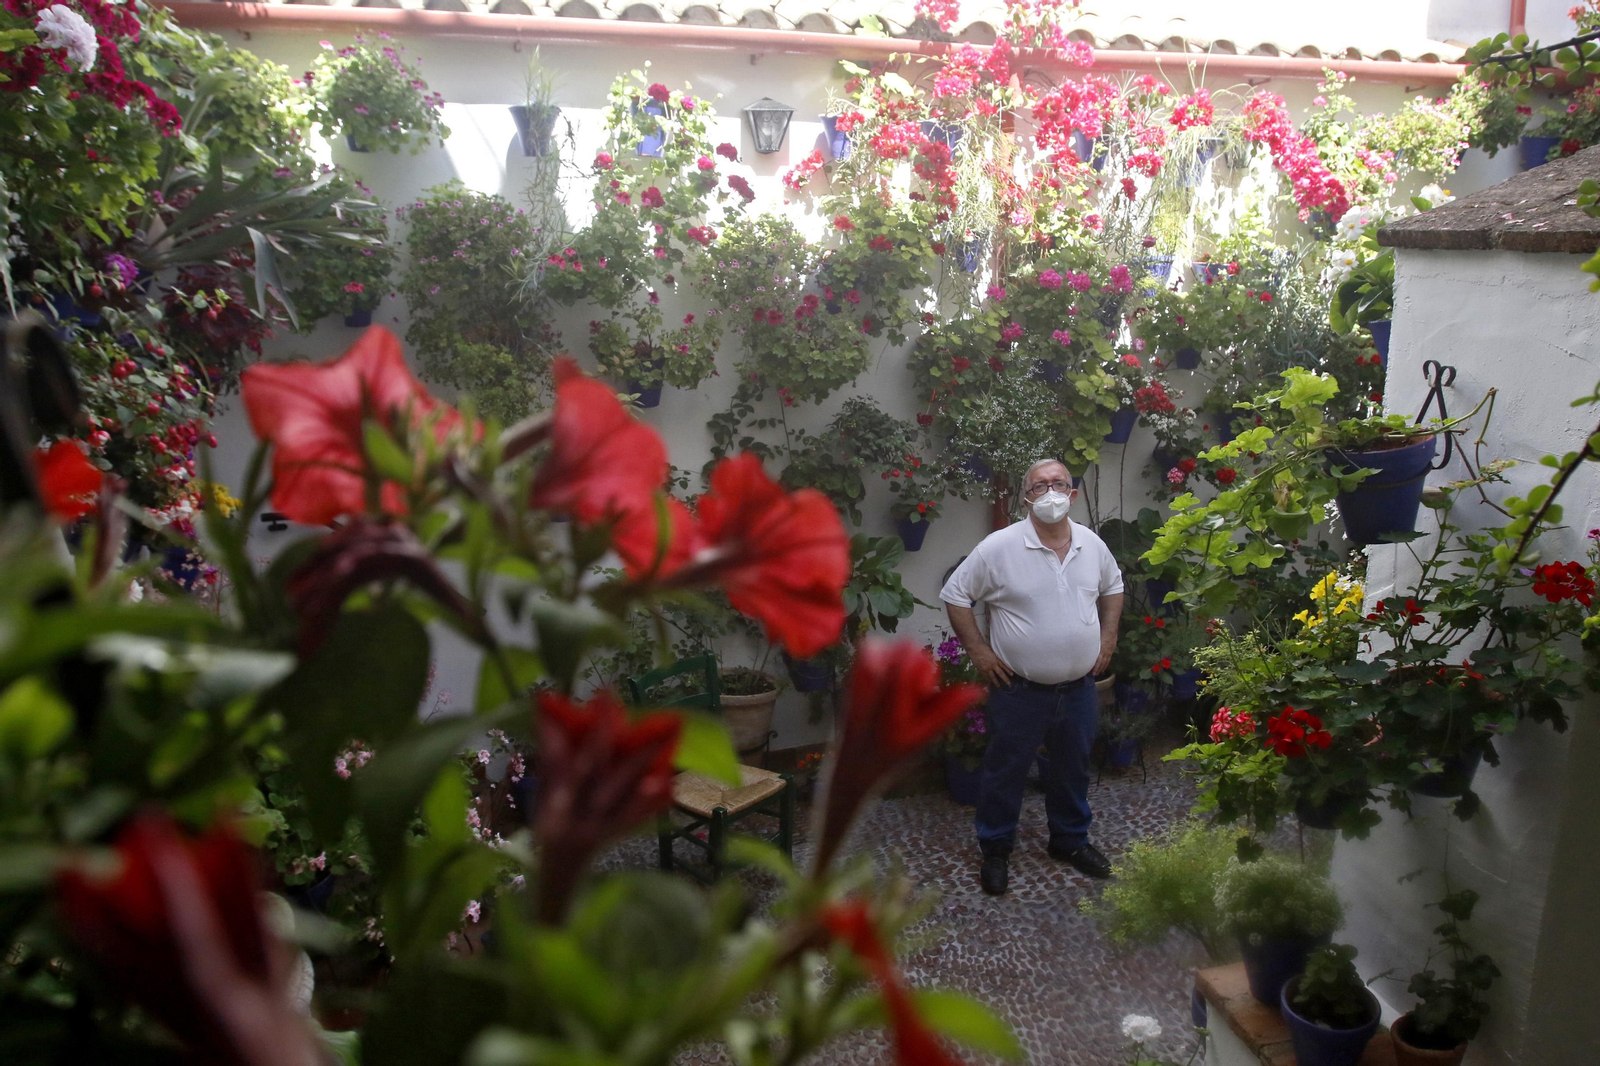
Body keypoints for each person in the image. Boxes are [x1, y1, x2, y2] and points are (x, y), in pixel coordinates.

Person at [939, 458, 1123, 895]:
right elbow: (956, 595)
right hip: (1018, 691)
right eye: (1040, 486)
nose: (1051, 492)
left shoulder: (1092, 545)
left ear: (1073, 494)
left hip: (1078, 689)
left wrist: (1109, 635)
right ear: (1026, 497)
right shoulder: (998, 547)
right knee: (1006, 771)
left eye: (1059, 483)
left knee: (1072, 768)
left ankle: (1070, 840)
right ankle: (997, 848)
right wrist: (979, 651)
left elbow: (1113, 587)